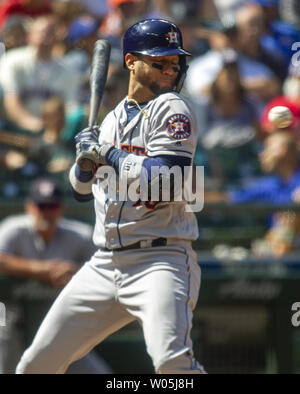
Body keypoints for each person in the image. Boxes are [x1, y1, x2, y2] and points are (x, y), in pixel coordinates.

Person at [16, 18, 206, 374]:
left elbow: (167, 180)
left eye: (174, 62)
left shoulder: (173, 109)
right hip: (105, 263)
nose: (170, 69)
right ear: (132, 62)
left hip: (160, 259)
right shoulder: (111, 119)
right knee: (35, 364)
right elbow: (80, 192)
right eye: (159, 61)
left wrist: (107, 153)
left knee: (172, 363)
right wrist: (84, 161)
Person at [0, 178, 112, 374]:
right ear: (29, 207)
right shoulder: (14, 229)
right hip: (11, 322)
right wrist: (40, 270)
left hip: (54, 324)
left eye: (52, 206)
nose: (46, 212)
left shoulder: (78, 235)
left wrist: (75, 272)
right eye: (41, 206)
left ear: (61, 208)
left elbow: (109, 264)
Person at [0, 15, 81, 134]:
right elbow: (10, 102)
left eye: (50, 33)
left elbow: (71, 109)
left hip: (53, 136)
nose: (46, 37)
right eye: (42, 32)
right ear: (29, 35)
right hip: (15, 132)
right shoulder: (12, 61)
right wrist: (34, 125)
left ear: (58, 38)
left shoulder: (68, 70)